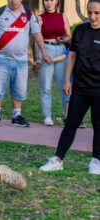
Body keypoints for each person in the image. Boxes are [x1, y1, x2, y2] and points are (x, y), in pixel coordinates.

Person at [39, 0, 100, 174]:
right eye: (89, 12)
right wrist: (67, 80)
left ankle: (96, 161)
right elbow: (72, 56)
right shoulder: (80, 30)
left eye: (97, 13)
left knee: (98, 125)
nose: (92, 17)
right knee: (71, 123)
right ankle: (58, 159)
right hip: (80, 87)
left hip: (98, 89)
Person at [0, 0, 52, 128]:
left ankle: (16, 116)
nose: (13, 2)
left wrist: (44, 53)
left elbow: (37, 34)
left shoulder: (28, 15)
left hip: (21, 60)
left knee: (19, 88)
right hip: (0, 59)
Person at [32, 0, 71, 126]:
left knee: (64, 85)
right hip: (46, 50)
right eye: (46, 0)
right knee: (45, 86)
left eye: (51, 0)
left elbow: (69, 36)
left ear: (57, 2)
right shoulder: (40, 18)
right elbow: (36, 39)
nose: (48, 3)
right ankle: (47, 116)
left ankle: (67, 117)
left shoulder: (62, 16)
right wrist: (37, 59)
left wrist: (63, 38)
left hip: (61, 51)